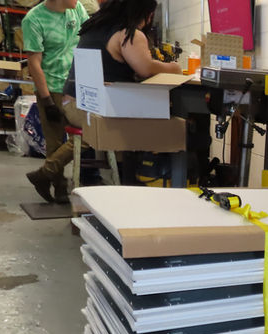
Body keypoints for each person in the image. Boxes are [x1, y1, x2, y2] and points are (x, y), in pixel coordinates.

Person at [37, 0, 182, 195]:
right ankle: (135, 180)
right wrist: (174, 68)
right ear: (145, 14)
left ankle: (125, 177)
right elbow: (145, 68)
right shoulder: (128, 33)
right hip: (89, 107)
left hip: (75, 101)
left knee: (128, 122)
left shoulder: (94, 28)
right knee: (151, 125)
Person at [22, 0, 89, 203]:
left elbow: (89, 37)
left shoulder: (77, 9)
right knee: (55, 141)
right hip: (52, 87)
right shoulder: (34, 19)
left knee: (89, 135)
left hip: (77, 86)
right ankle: (59, 188)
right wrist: (47, 100)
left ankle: (43, 175)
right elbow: (34, 63)